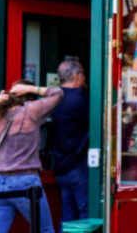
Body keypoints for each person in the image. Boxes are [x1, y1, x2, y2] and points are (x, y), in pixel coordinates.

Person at [0, 80, 63, 233]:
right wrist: (29, 88)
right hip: (25, 180)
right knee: (45, 230)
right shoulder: (31, 110)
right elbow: (58, 93)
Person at [50, 58, 89, 226]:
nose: (85, 78)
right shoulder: (80, 99)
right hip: (77, 165)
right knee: (86, 214)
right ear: (76, 75)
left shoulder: (53, 99)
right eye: (83, 73)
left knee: (67, 215)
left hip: (59, 165)